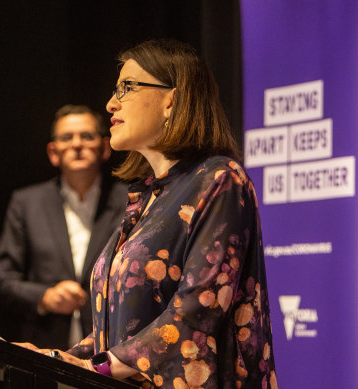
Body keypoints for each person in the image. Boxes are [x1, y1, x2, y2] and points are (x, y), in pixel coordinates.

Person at [17, 40, 277, 389]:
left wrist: (99, 368)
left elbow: (197, 312)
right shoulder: (147, 196)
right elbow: (122, 328)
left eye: (127, 88)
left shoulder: (220, 180)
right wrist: (56, 358)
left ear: (171, 99)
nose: (111, 103)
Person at [0, 105, 128, 351]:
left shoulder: (130, 201)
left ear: (105, 147)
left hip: (111, 351)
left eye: (86, 136)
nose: (77, 144)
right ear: (53, 152)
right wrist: (45, 297)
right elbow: (2, 281)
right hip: (44, 351)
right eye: (66, 137)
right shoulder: (27, 202)